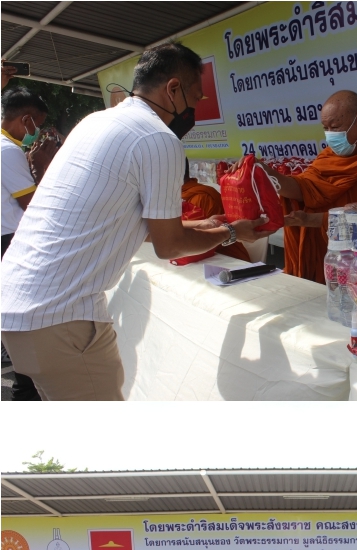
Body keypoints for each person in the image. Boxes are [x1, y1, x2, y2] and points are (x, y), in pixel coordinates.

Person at [1, 42, 268, 402]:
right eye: (194, 97)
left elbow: (122, 219)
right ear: (172, 89)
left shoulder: (95, 122)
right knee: (102, 448)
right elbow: (168, 245)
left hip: (22, 303)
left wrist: (204, 227)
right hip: (58, 316)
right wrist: (233, 231)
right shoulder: (158, 138)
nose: (194, 109)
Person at [255, 89, 357, 283]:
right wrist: (266, 174)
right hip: (336, 254)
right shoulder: (329, 156)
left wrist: (310, 219)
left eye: (335, 127)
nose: (330, 136)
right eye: (325, 128)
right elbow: (306, 187)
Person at [1, 87, 58, 401]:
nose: (37, 133)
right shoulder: (7, 151)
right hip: (10, 243)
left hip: (7, 242)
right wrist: (44, 166)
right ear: (25, 120)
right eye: (37, 125)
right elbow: (34, 204)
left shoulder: (8, 148)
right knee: (27, 328)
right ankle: (27, 394)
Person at [181, 158, 252, 262]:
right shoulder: (175, 197)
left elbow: (193, 241)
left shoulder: (201, 198)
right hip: (199, 258)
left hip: (225, 259)